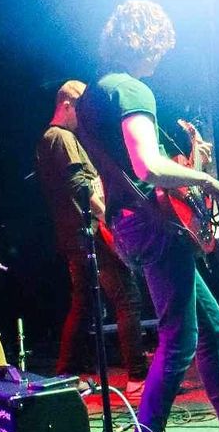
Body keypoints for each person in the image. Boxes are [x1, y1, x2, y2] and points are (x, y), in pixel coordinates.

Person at [76, 0, 219, 432]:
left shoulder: (92, 94)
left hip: (130, 224)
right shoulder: (131, 89)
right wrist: (205, 179)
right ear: (146, 43)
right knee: (179, 340)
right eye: (160, 47)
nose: (162, 56)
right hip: (155, 226)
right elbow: (147, 166)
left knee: (210, 325)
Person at [35, 81, 149, 392]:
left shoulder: (59, 138)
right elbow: (81, 187)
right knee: (127, 297)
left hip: (80, 234)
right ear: (67, 105)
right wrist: (109, 217)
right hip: (90, 233)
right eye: (81, 110)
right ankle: (138, 376)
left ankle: (66, 376)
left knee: (85, 304)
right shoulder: (59, 137)